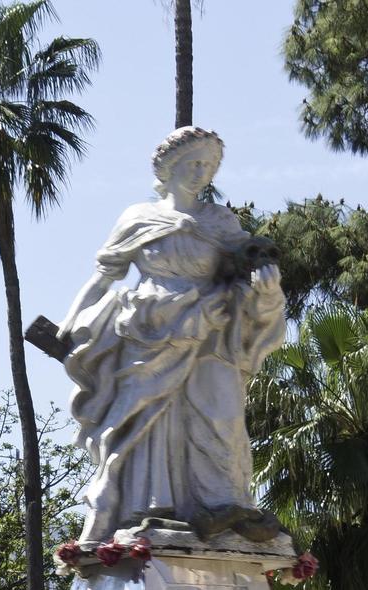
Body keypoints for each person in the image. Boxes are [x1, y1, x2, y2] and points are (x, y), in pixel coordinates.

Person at [56, 126, 286, 545]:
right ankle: (151, 510)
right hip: (148, 333)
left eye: (209, 165)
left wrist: (265, 291)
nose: (201, 172)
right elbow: (104, 277)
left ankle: (226, 508)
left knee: (222, 416)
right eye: (192, 163)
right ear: (168, 168)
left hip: (211, 328)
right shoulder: (138, 218)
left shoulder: (220, 222)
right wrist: (71, 324)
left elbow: (247, 272)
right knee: (148, 423)